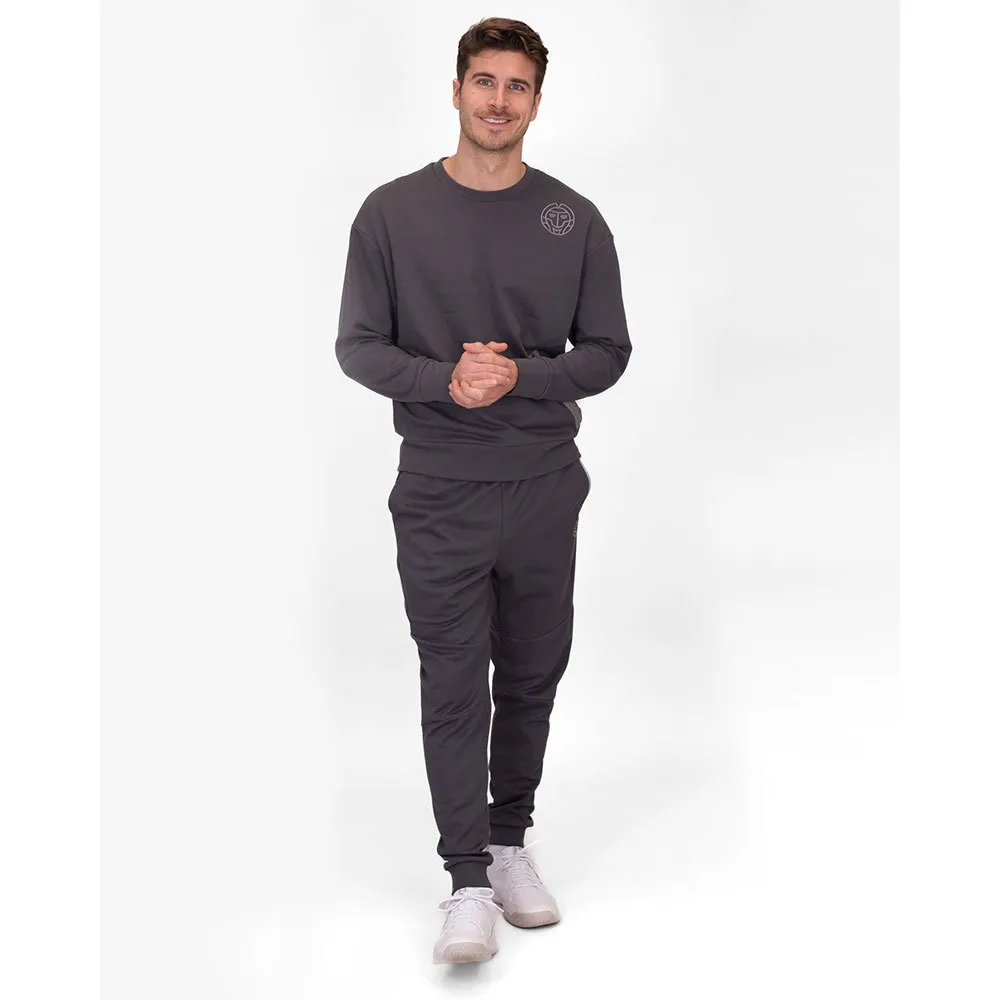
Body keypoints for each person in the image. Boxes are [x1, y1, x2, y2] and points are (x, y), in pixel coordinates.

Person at [335, 16, 632, 965]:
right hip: (440, 490)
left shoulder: (571, 218)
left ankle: (509, 843)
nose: (499, 101)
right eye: (484, 82)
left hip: (544, 487)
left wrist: (520, 377)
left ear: (537, 102)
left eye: (517, 86)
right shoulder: (391, 213)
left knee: (534, 672)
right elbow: (358, 346)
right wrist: (444, 380)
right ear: (456, 89)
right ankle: (465, 879)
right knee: (455, 681)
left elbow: (608, 351)